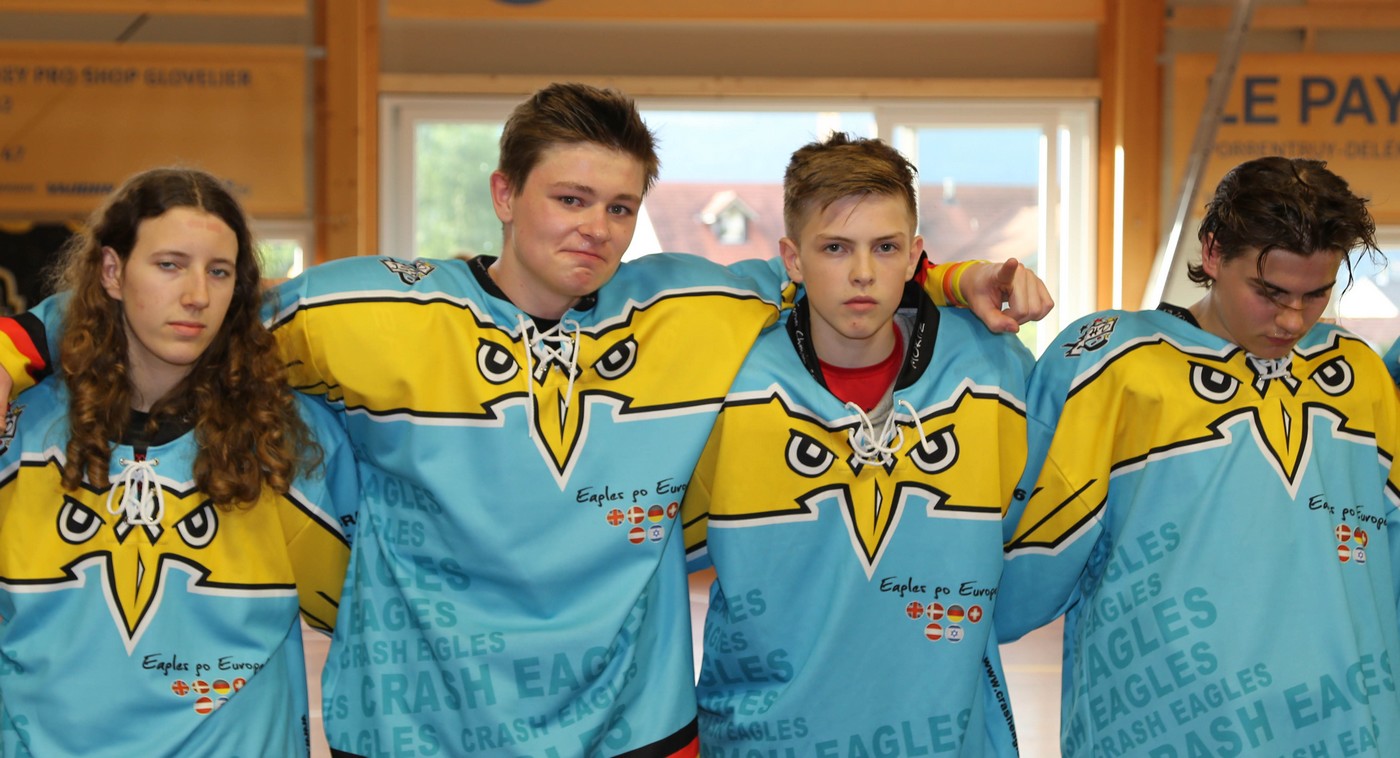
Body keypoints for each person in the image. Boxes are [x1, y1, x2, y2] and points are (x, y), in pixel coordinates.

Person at [0, 83, 1051, 757]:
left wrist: (954, 276)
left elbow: (843, 269)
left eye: (620, 207)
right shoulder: (365, 310)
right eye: (569, 199)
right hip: (415, 730)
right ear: (504, 193)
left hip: (630, 730)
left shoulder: (697, 304)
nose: (596, 229)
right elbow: (180, 309)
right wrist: (18, 345)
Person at [998, 156, 1400, 757]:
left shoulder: (1359, 374)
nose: (1293, 318)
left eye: (1316, 294)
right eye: (1269, 292)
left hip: (1349, 728)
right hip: (1159, 729)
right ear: (1212, 252)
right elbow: (1022, 572)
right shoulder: (1114, 363)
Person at [680, 133, 1033, 755]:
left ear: (916, 256)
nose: (863, 273)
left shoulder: (992, 370)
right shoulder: (726, 376)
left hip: (946, 739)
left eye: (885, 247)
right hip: (764, 739)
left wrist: (958, 279)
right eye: (835, 247)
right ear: (792, 259)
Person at [0, 168, 359, 756]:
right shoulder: (22, 431)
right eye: (169, 265)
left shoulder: (289, 441)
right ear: (112, 272)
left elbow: (374, 614)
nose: (197, 295)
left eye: (219, 272)